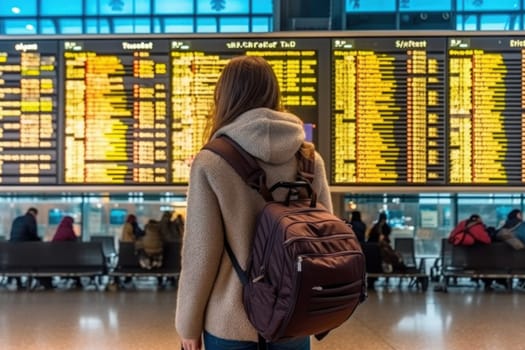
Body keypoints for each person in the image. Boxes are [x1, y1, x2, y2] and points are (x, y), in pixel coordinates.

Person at [175, 56, 332, 350]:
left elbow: (200, 256)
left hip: (231, 323)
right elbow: (322, 240)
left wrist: (188, 326)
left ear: (225, 97)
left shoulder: (211, 162)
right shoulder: (310, 159)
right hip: (293, 319)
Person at [8, 208, 53, 289]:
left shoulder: (17, 219)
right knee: (37, 261)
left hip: (13, 252)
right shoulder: (31, 219)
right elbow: (33, 235)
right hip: (25, 250)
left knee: (19, 264)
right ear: (35, 214)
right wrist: (40, 241)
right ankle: (44, 283)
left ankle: (19, 284)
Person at [51, 216, 82, 288]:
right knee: (75, 262)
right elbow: (75, 241)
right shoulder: (69, 231)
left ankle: (66, 278)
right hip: (68, 261)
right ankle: (77, 281)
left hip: (56, 260)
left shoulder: (59, 230)